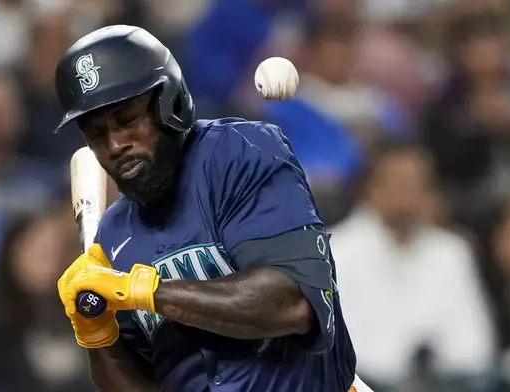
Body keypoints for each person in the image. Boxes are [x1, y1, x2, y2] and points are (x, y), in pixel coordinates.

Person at [54, 25, 364, 392]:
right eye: (97, 134)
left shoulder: (238, 153)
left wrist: (143, 290)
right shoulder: (111, 235)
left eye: (127, 120)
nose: (116, 144)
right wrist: (97, 335)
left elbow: (290, 303)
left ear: (169, 104)